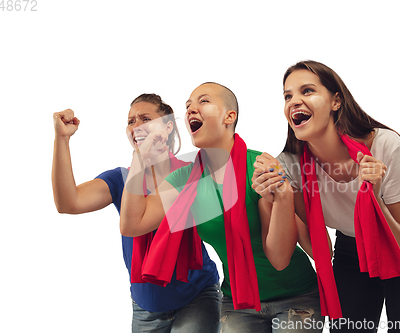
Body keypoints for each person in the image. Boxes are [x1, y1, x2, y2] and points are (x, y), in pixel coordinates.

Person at [120, 83, 325, 333]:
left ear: (230, 117)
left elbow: (281, 259)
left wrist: (283, 196)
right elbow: (132, 224)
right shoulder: (183, 181)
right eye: (187, 106)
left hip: (297, 297)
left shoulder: (261, 167)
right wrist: (140, 156)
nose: (191, 109)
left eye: (203, 101)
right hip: (238, 302)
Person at [252, 60, 400, 332]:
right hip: (351, 246)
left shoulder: (386, 146)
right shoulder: (291, 167)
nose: (294, 101)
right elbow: (321, 251)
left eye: (307, 91)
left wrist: (373, 198)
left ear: (336, 101)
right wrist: (279, 198)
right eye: (287, 95)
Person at [51, 93, 221, 333]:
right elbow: (68, 203)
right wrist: (61, 139)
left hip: (196, 297)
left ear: (168, 126)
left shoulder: (191, 174)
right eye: (131, 121)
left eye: (145, 119)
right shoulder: (121, 179)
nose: (136, 125)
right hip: (145, 306)